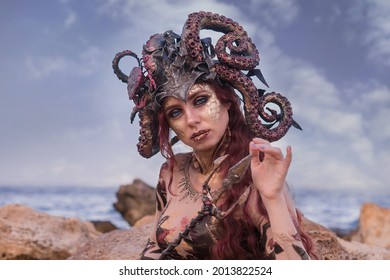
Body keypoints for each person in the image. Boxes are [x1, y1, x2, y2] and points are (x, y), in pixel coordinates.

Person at [113, 11, 316, 260]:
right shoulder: (171, 171)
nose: (191, 120)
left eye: (200, 100)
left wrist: (273, 197)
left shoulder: (256, 175)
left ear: (226, 101)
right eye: (176, 112)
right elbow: (155, 248)